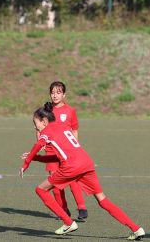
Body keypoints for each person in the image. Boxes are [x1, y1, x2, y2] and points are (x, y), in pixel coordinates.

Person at [18, 102, 145, 240]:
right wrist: (37, 158)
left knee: (41, 190)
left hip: (72, 166)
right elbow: (59, 156)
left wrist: (26, 163)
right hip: (86, 163)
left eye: (35, 122)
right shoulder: (62, 127)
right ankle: (136, 229)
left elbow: (38, 145)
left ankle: (68, 222)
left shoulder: (47, 131)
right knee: (102, 200)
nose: (34, 126)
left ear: (44, 121)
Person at [37, 81, 88, 221]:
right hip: (51, 151)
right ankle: (63, 209)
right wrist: (40, 143)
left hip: (67, 151)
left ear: (64, 94)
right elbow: (39, 128)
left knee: (72, 179)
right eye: (52, 92)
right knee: (55, 183)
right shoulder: (46, 110)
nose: (55, 95)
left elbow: (74, 130)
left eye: (58, 92)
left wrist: (76, 147)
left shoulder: (70, 111)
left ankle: (82, 207)